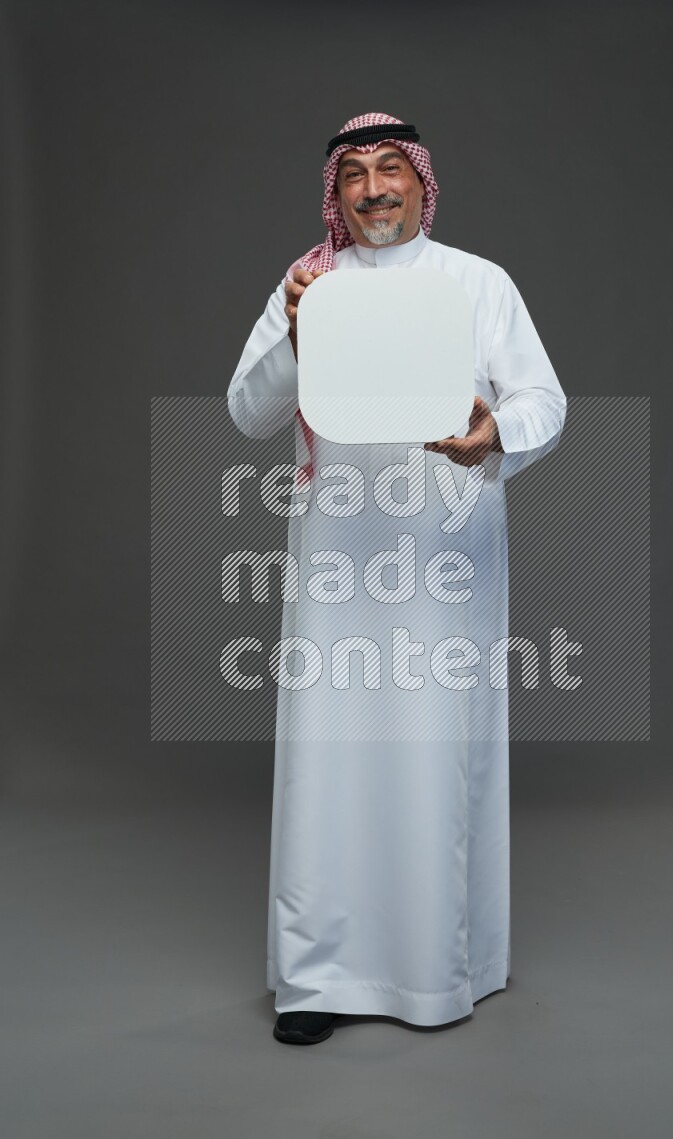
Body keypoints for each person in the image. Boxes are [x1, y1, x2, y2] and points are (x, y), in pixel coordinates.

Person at [227, 112, 567, 1045]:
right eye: (354, 177)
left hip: (446, 566)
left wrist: (494, 432)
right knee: (325, 764)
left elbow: (544, 399)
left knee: (434, 758)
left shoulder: (477, 284)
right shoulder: (310, 285)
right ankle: (313, 977)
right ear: (334, 196)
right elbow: (249, 412)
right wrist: (296, 333)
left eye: (390, 170)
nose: (375, 189)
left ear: (422, 180)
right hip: (337, 566)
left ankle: (435, 970)